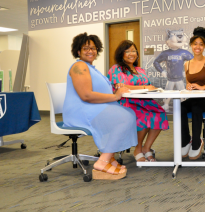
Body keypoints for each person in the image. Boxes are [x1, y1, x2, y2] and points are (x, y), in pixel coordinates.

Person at [63, 33, 137, 180]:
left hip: (92, 107)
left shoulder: (90, 68)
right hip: (81, 110)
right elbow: (86, 95)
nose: (90, 51)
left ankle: (109, 157)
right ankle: (103, 161)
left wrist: (115, 89)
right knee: (125, 117)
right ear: (78, 51)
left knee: (126, 113)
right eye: (86, 48)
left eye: (93, 48)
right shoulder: (79, 66)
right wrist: (116, 96)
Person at [108, 40, 169, 162]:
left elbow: (148, 85)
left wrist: (153, 88)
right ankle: (138, 149)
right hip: (125, 103)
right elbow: (120, 86)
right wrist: (145, 87)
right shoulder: (116, 69)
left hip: (143, 101)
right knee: (144, 115)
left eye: (134, 51)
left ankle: (146, 148)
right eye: (128, 51)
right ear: (121, 54)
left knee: (159, 113)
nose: (132, 53)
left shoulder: (140, 70)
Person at [181, 27, 205, 160]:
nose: (198, 47)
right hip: (194, 98)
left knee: (196, 107)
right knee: (180, 107)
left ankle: (197, 143)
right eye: (195, 44)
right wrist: (188, 85)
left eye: (201, 44)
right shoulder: (186, 64)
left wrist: (203, 88)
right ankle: (186, 141)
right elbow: (188, 82)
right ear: (191, 45)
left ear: (204, 47)